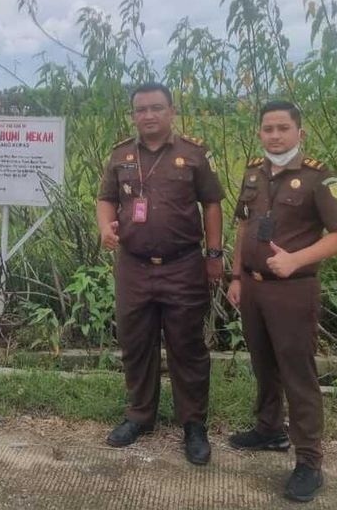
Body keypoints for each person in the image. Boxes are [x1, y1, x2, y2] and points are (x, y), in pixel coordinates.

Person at [226, 100, 337, 503]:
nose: (275, 135)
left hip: (293, 291)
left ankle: (309, 462)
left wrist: (295, 259)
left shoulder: (319, 177)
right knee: (262, 361)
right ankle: (269, 429)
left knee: (297, 373)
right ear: (260, 133)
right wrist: (235, 276)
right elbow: (244, 227)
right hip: (252, 287)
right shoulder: (253, 172)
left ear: (300, 132)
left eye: (283, 128)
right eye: (268, 128)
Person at [96, 82, 226, 466]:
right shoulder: (121, 154)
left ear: (172, 111)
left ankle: (194, 425)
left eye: (156, 108)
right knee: (136, 344)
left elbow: (212, 204)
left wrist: (214, 254)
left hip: (183, 265)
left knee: (187, 347)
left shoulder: (193, 154)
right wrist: (105, 226)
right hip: (133, 266)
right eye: (141, 109)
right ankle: (140, 415)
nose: (148, 115)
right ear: (133, 115)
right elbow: (106, 199)